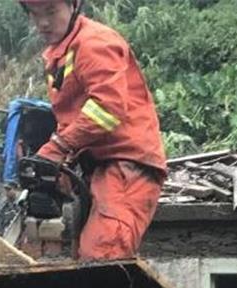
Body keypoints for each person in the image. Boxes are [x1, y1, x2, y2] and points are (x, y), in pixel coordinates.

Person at [19, 0, 167, 260]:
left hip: (127, 163)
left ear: (73, 6)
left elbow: (107, 109)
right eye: (35, 14)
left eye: (51, 12)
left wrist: (59, 147)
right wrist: (58, 164)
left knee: (103, 254)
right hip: (97, 166)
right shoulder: (61, 54)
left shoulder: (95, 43)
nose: (42, 22)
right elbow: (71, 119)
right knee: (84, 258)